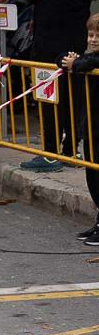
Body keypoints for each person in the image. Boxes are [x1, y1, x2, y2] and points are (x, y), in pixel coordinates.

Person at [18, 0, 93, 172]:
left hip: (49, 38)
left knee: (48, 94)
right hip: (76, 35)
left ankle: (50, 152)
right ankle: (71, 148)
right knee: (72, 94)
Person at [61, 15, 99, 244]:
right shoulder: (89, 58)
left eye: (98, 36)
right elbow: (63, 61)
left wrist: (76, 64)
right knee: (91, 172)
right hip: (91, 125)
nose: (93, 40)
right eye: (91, 35)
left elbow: (87, 63)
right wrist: (70, 62)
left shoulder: (92, 61)